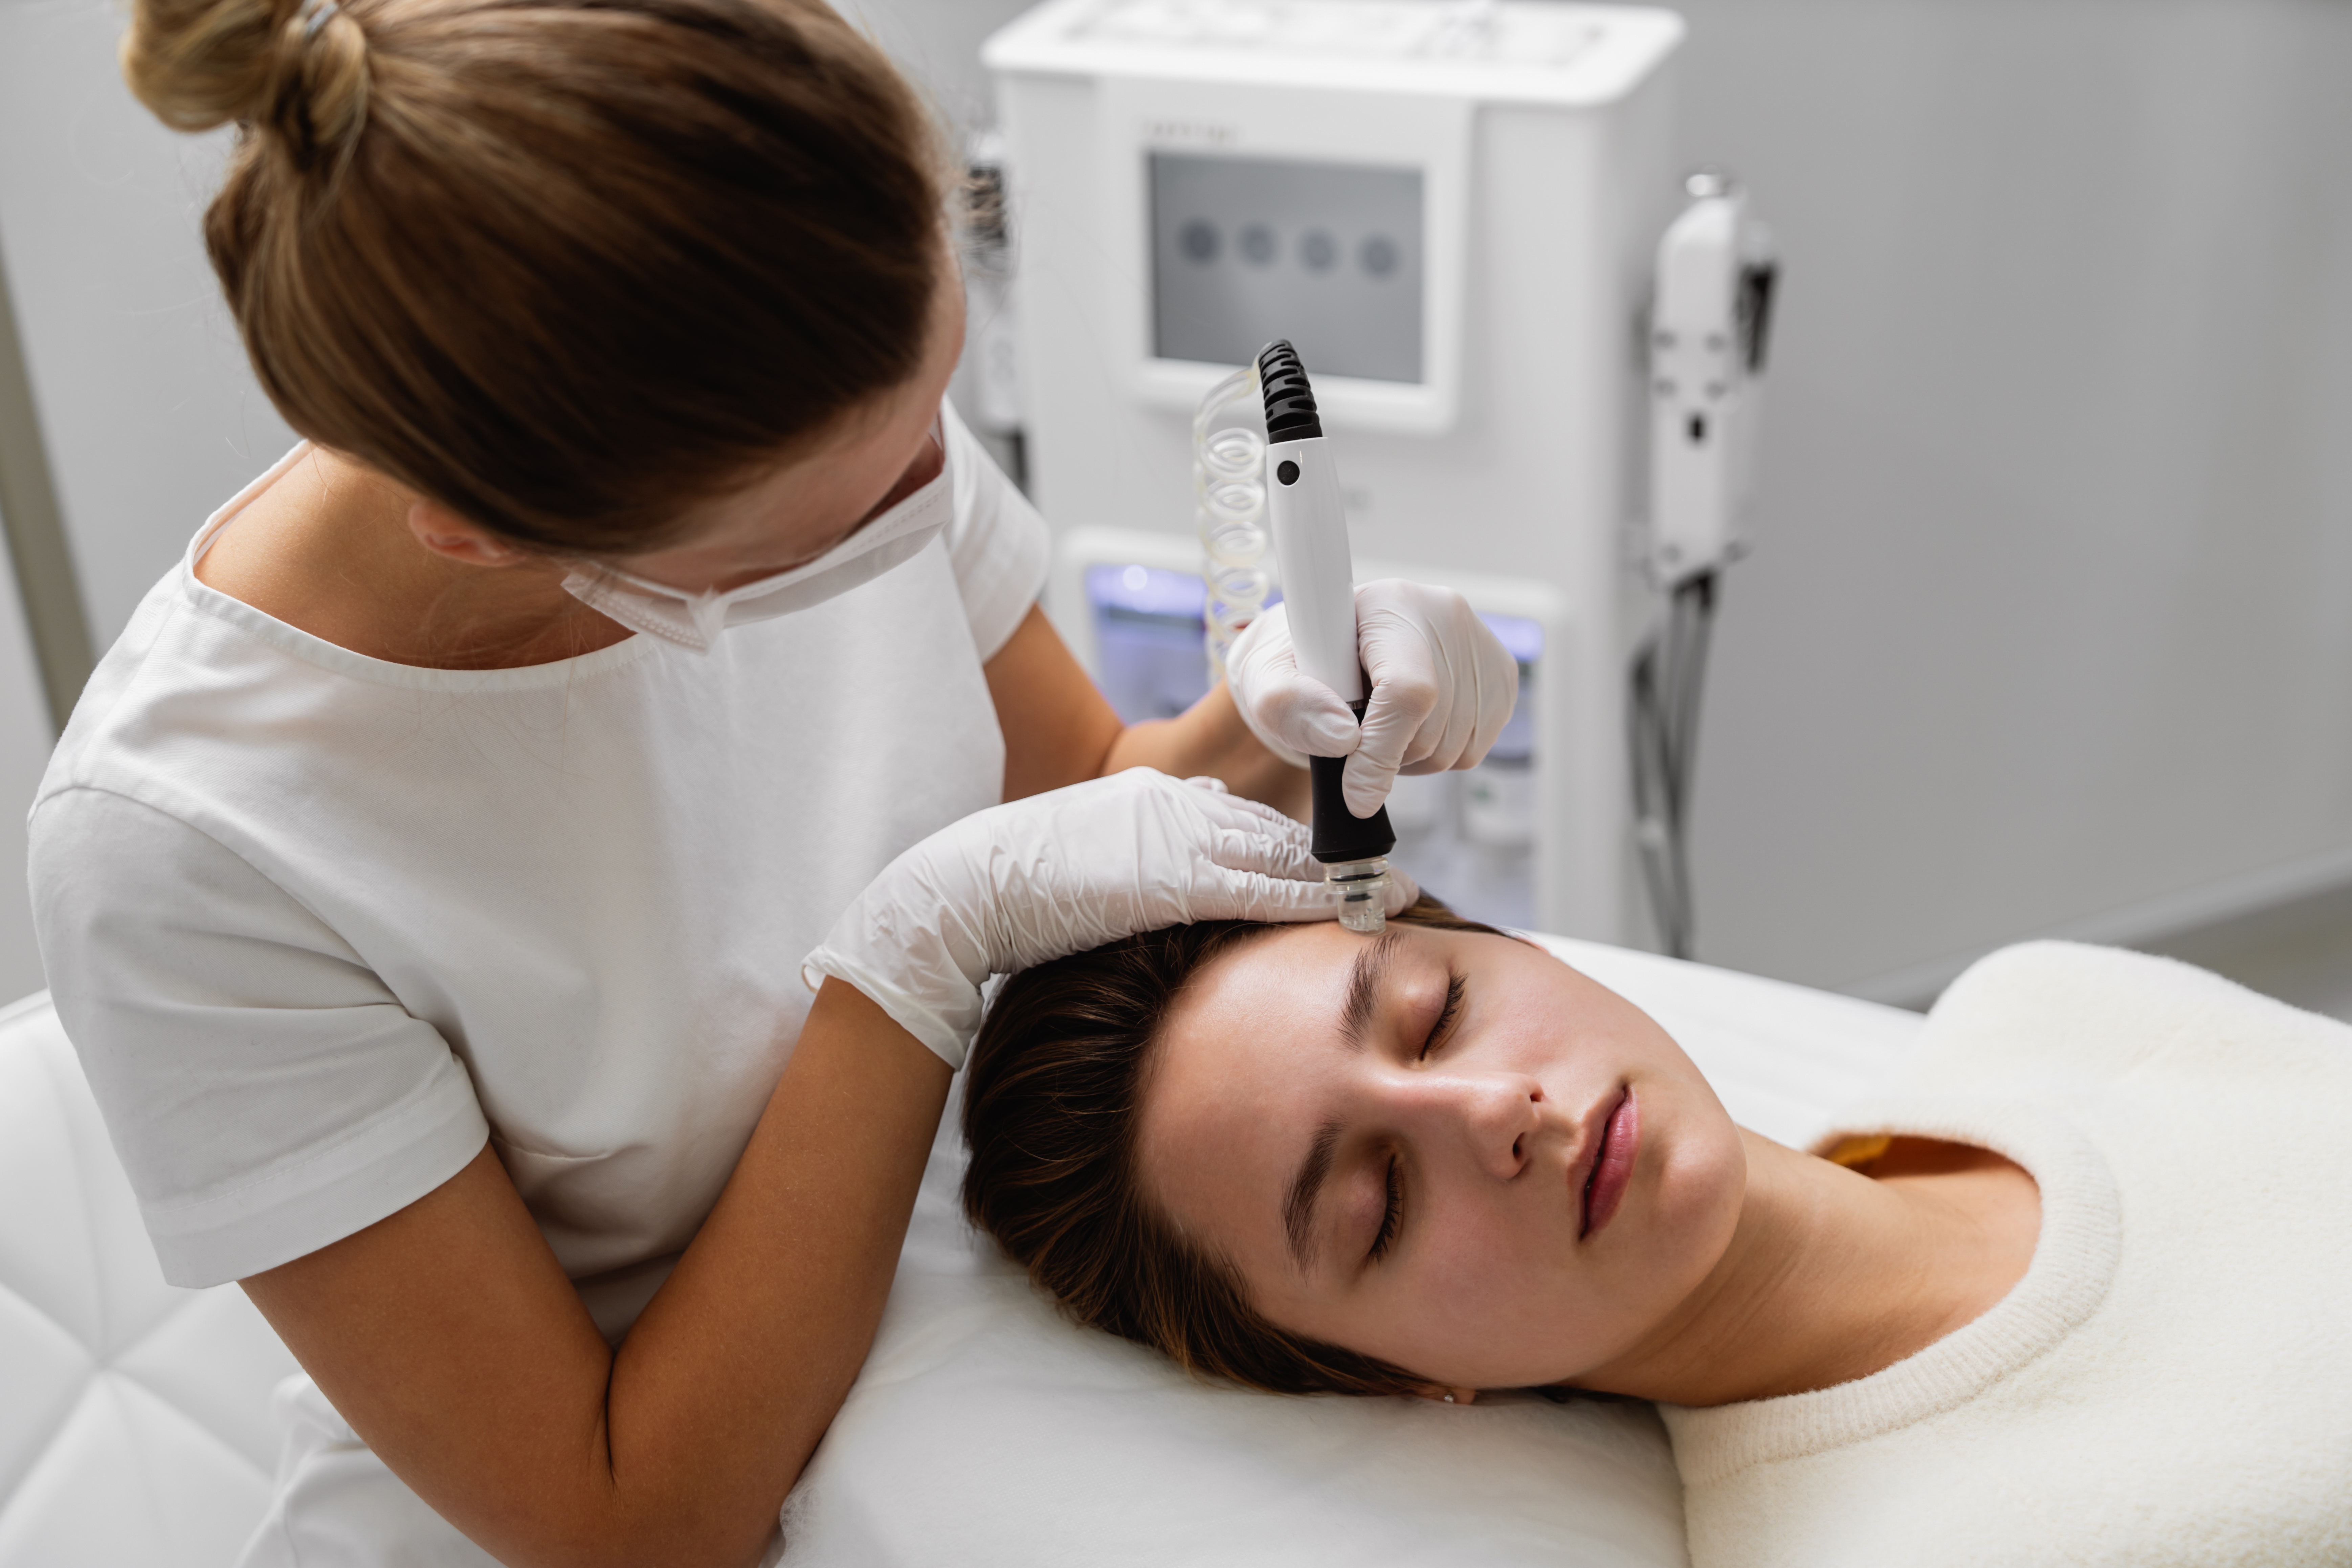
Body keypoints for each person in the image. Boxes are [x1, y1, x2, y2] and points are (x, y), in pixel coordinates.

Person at [26, 0, 1515, 1562]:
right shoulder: (191, 843)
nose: (928, 493)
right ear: (488, 534)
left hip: (971, 1399)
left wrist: (1292, 699)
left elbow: (1079, 789)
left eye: (931, 400)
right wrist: (908, 959)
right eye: (850, 515)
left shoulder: (802, 370)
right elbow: (630, 1517)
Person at [960, 903, 2352, 1565]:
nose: (1492, 1111)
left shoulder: (2047, 1010)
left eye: (1438, 1011)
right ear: (1391, 1381)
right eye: (1377, 1201)